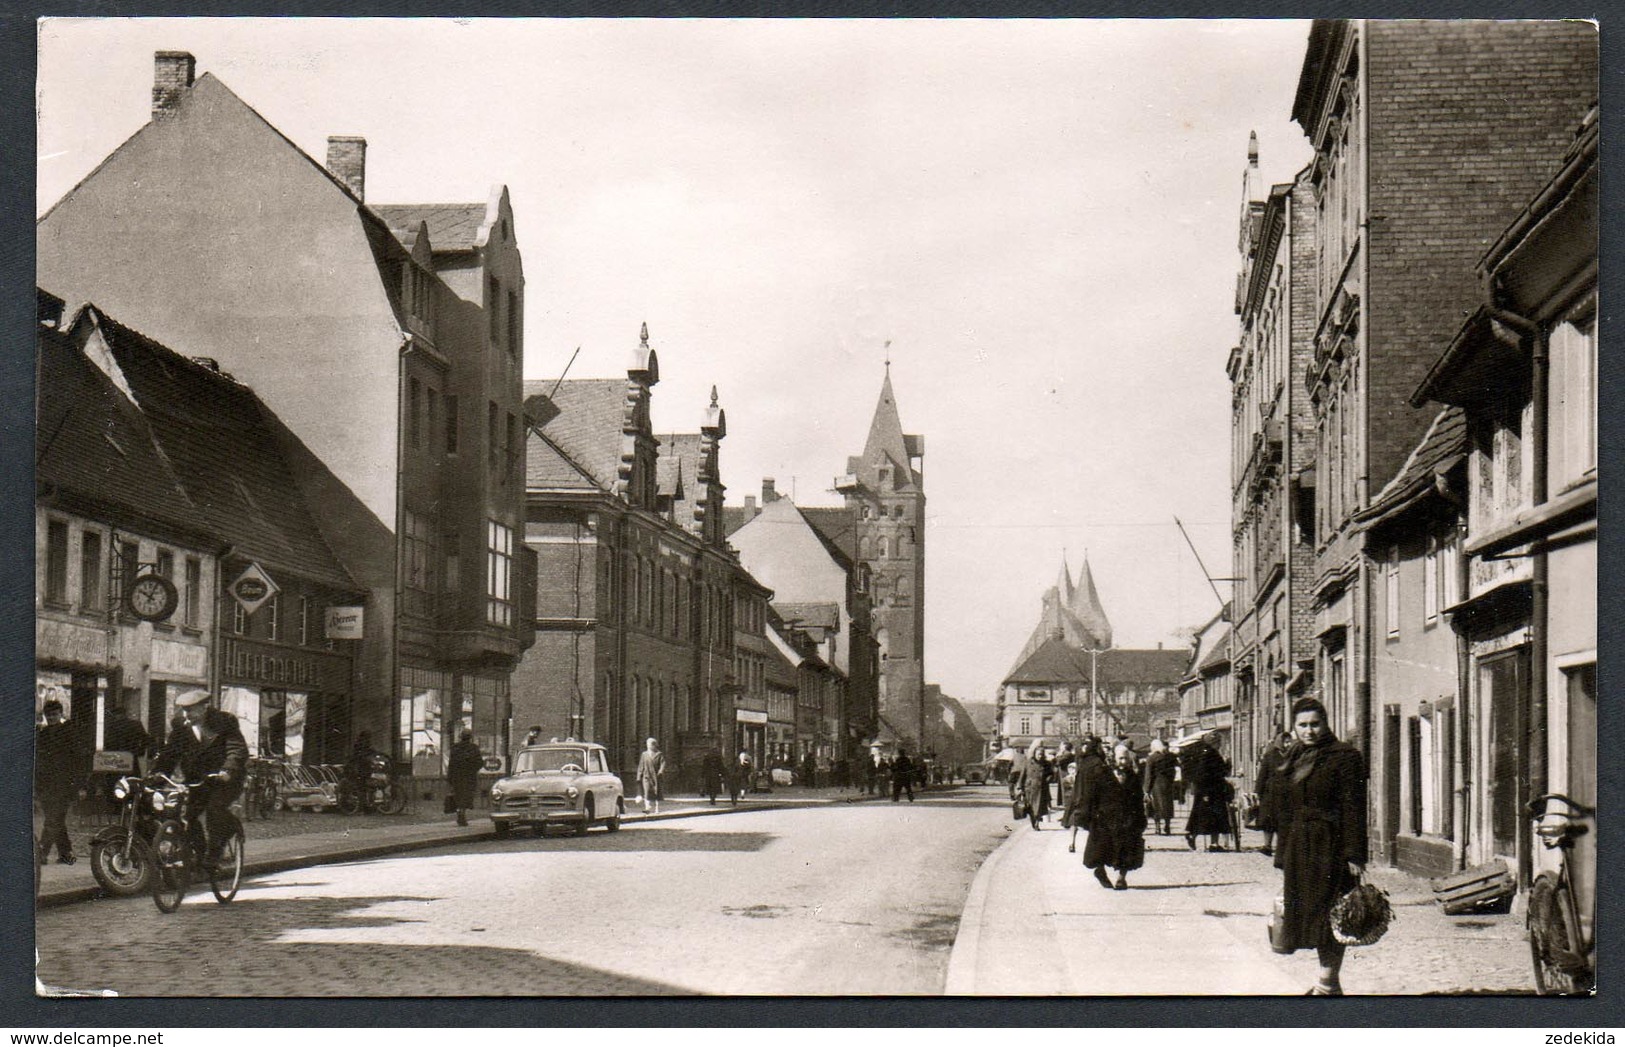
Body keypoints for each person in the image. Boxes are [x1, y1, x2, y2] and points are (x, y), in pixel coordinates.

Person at [1273, 696, 1368, 996]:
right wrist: (1282, 852)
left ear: (1326, 724)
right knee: (1310, 915)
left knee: (1333, 914)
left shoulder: (1345, 757)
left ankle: (1326, 983)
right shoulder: (1293, 758)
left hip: (1332, 846)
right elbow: (1286, 810)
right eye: (1303, 725)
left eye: (1315, 724)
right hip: (1300, 847)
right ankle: (1331, 984)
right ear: (1294, 727)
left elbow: (1354, 807)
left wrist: (1354, 854)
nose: (1309, 731)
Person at [152, 689, 247, 869]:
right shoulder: (181, 727)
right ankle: (199, 852)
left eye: (192, 710)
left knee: (214, 808)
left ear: (204, 708)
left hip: (225, 780)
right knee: (186, 814)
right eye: (184, 710)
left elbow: (237, 749)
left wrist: (228, 769)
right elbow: (169, 754)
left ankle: (215, 851)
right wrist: (159, 773)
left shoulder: (224, 723)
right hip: (197, 780)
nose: (187, 715)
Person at [1080, 743, 1149, 890]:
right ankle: (1100, 871)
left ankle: (1121, 878)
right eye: (1121, 758)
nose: (1123, 762)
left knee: (1127, 848)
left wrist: (1141, 818)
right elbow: (1092, 795)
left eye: (1126, 759)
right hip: (1105, 816)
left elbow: (1138, 798)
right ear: (1114, 758)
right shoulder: (1102, 774)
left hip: (1127, 817)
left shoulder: (1133, 777)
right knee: (1101, 848)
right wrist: (1089, 815)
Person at [35, 699, 86, 865]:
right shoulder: (41, 734)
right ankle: (66, 854)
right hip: (46, 784)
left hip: (64, 784)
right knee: (55, 818)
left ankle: (42, 852)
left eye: (54, 715)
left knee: (53, 819)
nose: (51, 718)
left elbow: (79, 760)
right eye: (48, 715)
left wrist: (81, 785)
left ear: (61, 714)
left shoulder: (69, 733)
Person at [1180, 730, 1231, 852]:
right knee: (1214, 817)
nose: (1220, 744)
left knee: (1201, 816)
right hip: (1211, 791)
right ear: (1214, 742)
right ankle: (1212, 843)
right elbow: (1207, 773)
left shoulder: (1204, 753)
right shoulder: (1210, 754)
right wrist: (1228, 764)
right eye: (1218, 742)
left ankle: (1194, 835)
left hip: (1206, 791)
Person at [1064, 736, 1108, 853]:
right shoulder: (1098, 762)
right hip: (1092, 794)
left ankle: (1071, 843)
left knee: (1075, 818)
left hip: (1079, 793)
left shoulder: (1082, 760)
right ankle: (1093, 846)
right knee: (1093, 820)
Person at [1254, 729, 1292, 856]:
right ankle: (1267, 845)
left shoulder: (1293, 756)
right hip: (1270, 794)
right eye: (1285, 742)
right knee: (1268, 822)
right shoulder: (1270, 756)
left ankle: (1282, 847)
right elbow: (1262, 775)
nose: (1288, 744)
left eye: (1289, 742)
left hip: (1287, 794)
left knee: (1284, 822)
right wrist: (1257, 792)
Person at [447, 729, 483, 827]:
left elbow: (451, 764)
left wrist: (449, 778)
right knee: (467, 795)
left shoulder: (455, 748)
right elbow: (480, 763)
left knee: (459, 795)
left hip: (457, 777)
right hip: (469, 777)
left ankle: (460, 811)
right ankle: (462, 813)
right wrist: (472, 769)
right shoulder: (473, 748)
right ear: (470, 737)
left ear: (460, 737)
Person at [1142, 738, 1178, 835]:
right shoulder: (1171, 757)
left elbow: (1148, 774)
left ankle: (1157, 827)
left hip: (1156, 784)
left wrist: (1146, 790)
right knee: (1168, 805)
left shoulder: (1151, 758)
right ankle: (1167, 826)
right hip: (1168, 783)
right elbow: (1174, 770)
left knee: (1156, 806)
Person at [1014, 739, 1052, 829]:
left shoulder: (1047, 764)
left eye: (1042, 754)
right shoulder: (1028, 763)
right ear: (1034, 754)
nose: (1040, 756)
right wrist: (1019, 786)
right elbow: (1022, 775)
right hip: (1030, 789)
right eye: (1038, 754)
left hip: (1042, 788)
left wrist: (1048, 778)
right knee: (1031, 808)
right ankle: (1034, 822)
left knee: (1039, 808)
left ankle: (1037, 822)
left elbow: (1051, 774)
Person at [637, 737, 665, 814]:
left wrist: (660, 771)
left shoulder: (659, 754)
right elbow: (641, 765)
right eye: (647, 744)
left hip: (656, 776)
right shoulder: (644, 754)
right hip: (646, 776)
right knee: (646, 792)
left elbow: (663, 764)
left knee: (656, 793)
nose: (648, 746)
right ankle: (647, 807)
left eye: (650, 744)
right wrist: (639, 776)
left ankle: (657, 808)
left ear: (654, 745)